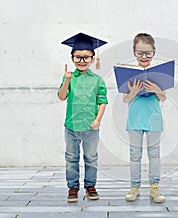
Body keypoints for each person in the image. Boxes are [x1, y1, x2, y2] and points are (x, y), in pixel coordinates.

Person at [58, 32, 108, 202]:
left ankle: (90, 186)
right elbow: (61, 96)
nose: (82, 60)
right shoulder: (70, 78)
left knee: (91, 158)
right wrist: (66, 80)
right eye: (78, 57)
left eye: (86, 57)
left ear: (93, 59)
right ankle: (72, 187)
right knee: (71, 158)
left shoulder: (98, 80)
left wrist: (98, 120)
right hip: (71, 126)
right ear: (72, 58)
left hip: (90, 127)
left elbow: (102, 102)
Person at [122, 33, 166, 203]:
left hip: (154, 119)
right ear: (134, 53)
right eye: (140, 53)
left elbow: (163, 98)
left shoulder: (159, 74)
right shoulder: (129, 74)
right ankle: (134, 187)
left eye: (148, 53)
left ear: (154, 52)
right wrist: (132, 92)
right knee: (135, 155)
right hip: (134, 120)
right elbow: (125, 99)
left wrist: (156, 89)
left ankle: (154, 187)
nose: (144, 57)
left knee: (154, 154)